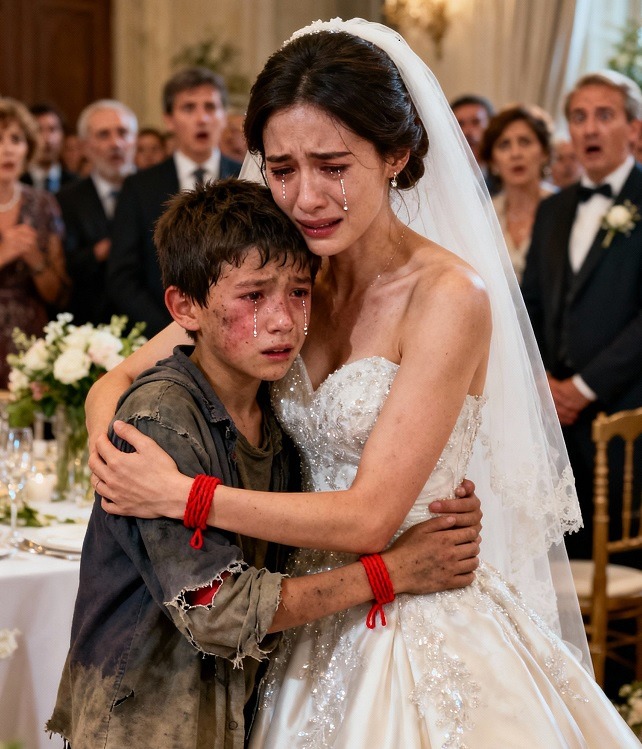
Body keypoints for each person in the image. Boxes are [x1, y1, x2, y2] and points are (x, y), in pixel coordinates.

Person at [88, 19, 639, 747]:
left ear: (396, 155)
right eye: (282, 169)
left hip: (412, 613)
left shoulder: (448, 295)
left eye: (332, 166)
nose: (305, 197)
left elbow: (371, 518)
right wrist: (111, 451)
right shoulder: (285, 279)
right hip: (291, 610)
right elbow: (118, 377)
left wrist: (180, 494)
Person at [47, 178, 480, 747]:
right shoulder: (163, 421)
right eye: (253, 298)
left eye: (300, 292)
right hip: (144, 713)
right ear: (185, 308)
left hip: (252, 685)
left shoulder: (264, 403)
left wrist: (433, 494)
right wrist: (390, 571)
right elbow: (216, 608)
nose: (282, 321)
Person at [522, 69, 642, 566]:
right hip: (555, 425)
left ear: (634, 129)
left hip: (626, 419)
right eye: (578, 117)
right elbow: (529, 304)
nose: (590, 128)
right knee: (561, 564)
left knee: (626, 565)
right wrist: (543, 381)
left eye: (604, 115)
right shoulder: (553, 211)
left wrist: (585, 387)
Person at [107, 67, 243, 336]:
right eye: (189, 108)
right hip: (161, 331)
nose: (202, 118)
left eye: (210, 107)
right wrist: (172, 329)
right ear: (169, 120)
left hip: (237, 327)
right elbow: (122, 277)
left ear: (224, 116)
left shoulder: (246, 178)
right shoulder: (140, 187)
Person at [0, 98, 69, 387]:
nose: (7, 149)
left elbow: (59, 294)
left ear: (28, 147)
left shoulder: (43, 204)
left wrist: (35, 260)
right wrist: (4, 254)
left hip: (28, 345)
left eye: (16, 139)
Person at [57, 99, 137, 324]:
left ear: (134, 140)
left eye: (123, 132)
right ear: (84, 146)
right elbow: (65, 265)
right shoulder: (66, 199)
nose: (116, 143)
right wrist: (97, 252)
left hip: (150, 321)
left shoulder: (158, 191)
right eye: (104, 135)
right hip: (90, 321)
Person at [480, 104, 556, 282]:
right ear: (493, 161)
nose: (515, 154)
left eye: (525, 142)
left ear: (544, 152)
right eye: (504, 145)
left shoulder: (562, 207)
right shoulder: (485, 215)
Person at [20, 102, 76, 193]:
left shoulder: (75, 183)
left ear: (63, 135)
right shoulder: (16, 183)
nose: (47, 139)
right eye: (39, 130)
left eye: (52, 129)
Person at [450, 93, 499, 194]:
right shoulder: (444, 178)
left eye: (476, 122)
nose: (467, 132)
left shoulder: (503, 179)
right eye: (460, 124)